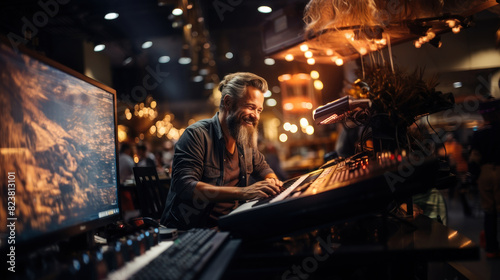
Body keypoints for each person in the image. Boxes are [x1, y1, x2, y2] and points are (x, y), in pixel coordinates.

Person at [160, 72, 283, 229]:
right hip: (191, 231)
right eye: (251, 107)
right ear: (228, 103)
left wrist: (272, 182)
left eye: (259, 110)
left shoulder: (243, 140)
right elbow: (185, 186)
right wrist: (243, 192)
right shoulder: (196, 135)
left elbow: (263, 168)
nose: (256, 116)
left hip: (228, 225)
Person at [469, 98, 500, 258]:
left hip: (485, 172)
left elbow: (474, 158)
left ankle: (492, 249)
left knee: (489, 212)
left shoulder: (479, 134)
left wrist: (474, 176)